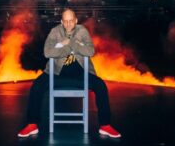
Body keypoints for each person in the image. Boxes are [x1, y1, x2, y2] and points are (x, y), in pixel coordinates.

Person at [17, 9, 121, 138]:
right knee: (37, 86)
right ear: (61, 22)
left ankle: (105, 125)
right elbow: (47, 52)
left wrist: (68, 45)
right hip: (57, 73)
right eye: (65, 21)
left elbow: (90, 51)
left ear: (75, 21)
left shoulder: (82, 31)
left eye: (71, 21)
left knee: (100, 86)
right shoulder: (55, 32)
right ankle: (32, 124)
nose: (68, 24)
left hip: (80, 73)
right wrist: (67, 45)